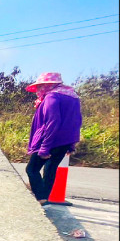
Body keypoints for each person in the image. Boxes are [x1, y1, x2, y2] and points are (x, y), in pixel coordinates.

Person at [25, 72, 82, 205]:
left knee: (31, 169)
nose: (39, 90)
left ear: (48, 85)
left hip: (50, 140)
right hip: (64, 141)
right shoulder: (73, 96)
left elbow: (53, 122)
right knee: (50, 169)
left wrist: (45, 148)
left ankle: (41, 198)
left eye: (41, 86)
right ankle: (44, 198)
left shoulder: (52, 96)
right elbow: (76, 121)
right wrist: (71, 144)